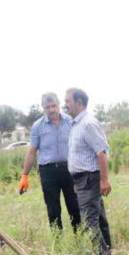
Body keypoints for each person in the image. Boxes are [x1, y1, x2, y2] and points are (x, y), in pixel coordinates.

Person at [17, 93, 81, 233]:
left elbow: (78, 146)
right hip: (48, 171)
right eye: (47, 107)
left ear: (59, 105)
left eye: (54, 106)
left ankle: (80, 239)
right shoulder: (37, 126)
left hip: (69, 169)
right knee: (53, 208)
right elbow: (32, 151)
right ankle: (57, 241)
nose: (51, 110)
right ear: (43, 108)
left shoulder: (70, 121)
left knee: (75, 206)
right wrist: (25, 175)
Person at [64, 88, 112, 255]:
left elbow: (101, 152)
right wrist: (76, 180)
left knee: (89, 222)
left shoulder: (88, 123)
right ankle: (107, 254)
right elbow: (81, 155)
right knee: (98, 218)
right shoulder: (76, 124)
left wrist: (104, 180)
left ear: (79, 102)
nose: (65, 105)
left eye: (68, 101)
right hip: (82, 179)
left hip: (90, 178)